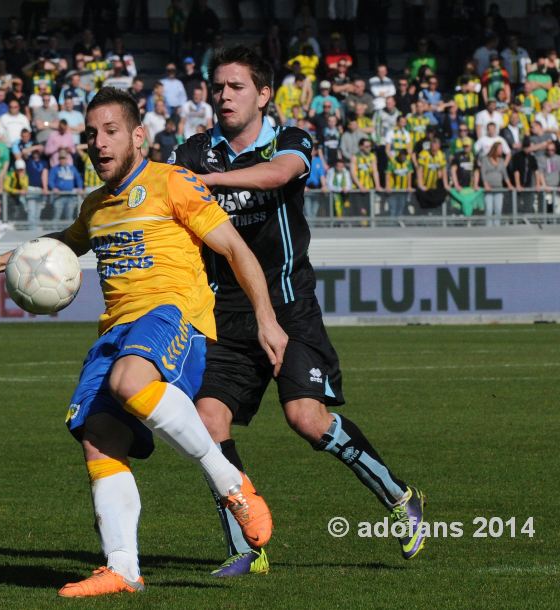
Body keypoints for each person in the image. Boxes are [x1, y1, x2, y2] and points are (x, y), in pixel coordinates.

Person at [0, 86, 283, 598]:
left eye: (110, 132)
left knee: (130, 381)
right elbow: (55, 247)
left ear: (137, 135)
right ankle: (123, 567)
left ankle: (231, 485)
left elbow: (237, 250)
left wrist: (266, 317)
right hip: (115, 329)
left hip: (174, 314)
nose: (99, 143)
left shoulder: (172, 182)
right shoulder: (96, 206)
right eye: (91, 135)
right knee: (100, 436)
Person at [171, 45, 426, 576]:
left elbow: (277, 175)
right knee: (207, 420)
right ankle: (248, 544)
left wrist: (206, 186)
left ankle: (401, 498)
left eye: (236, 87)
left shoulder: (289, 140)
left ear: (264, 95)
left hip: (289, 307)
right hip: (225, 313)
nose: (223, 96)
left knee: (306, 420)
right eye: (217, 87)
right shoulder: (193, 153)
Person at [480, 141, 513, 226]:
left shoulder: (501, 160)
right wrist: (486, 184)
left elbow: (505, 174)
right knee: (489, 209)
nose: (502, 150)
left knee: (498, 209)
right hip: (489, 189)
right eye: (500, 148)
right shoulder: (485, 159)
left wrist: (509, 185)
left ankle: (497, 227)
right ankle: (489, 227)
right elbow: (483, 173)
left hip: (499, 188)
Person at [385, 148, 413, 217]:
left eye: (404, 156)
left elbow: (409, 175)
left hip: (403, 191)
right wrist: (388, 186)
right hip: (393, 190)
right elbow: (388, 174)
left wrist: (409, 186)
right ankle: (391, 226)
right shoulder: (392, 162)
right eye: (402, 156)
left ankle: (398, 226)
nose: (403, 157)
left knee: (400, 209)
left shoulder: (408, 163)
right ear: (399, 155)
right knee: (393, 209)